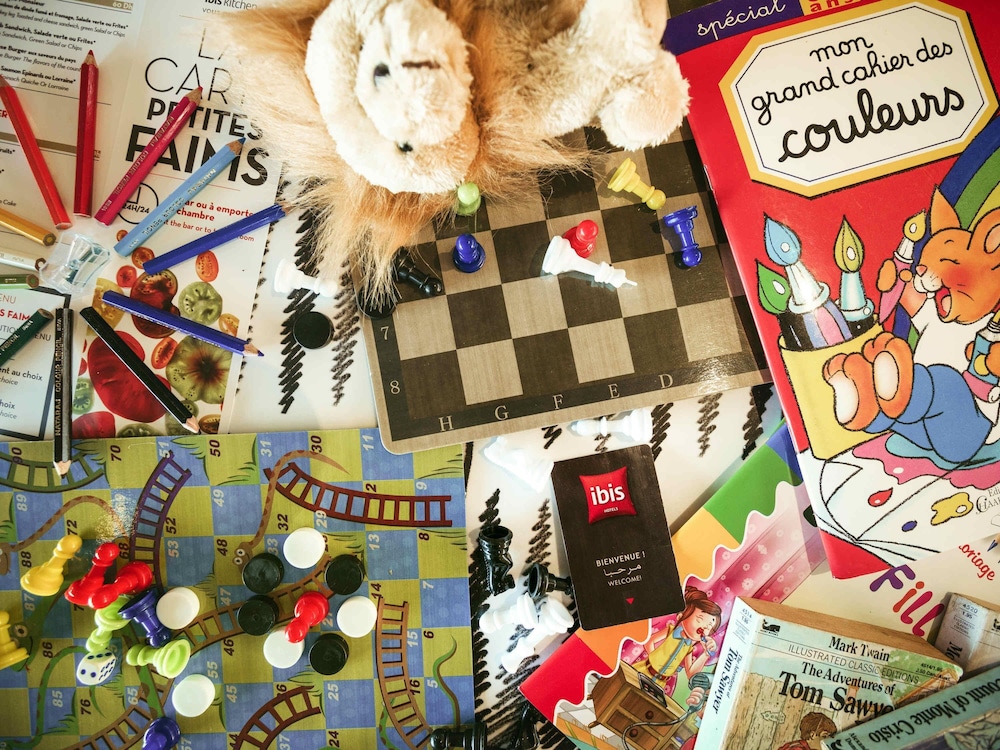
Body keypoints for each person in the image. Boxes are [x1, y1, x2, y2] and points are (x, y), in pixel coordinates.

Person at [634, 586, 721, 695]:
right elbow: (649, 642)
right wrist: (654, 659)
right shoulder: (670, 631)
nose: (705, 628)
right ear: (681, 616)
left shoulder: (689, 648)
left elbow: (691, 673)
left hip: (659, 684)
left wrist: (706, 654)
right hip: (644, 670)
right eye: (700, 619)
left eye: (709, 627)